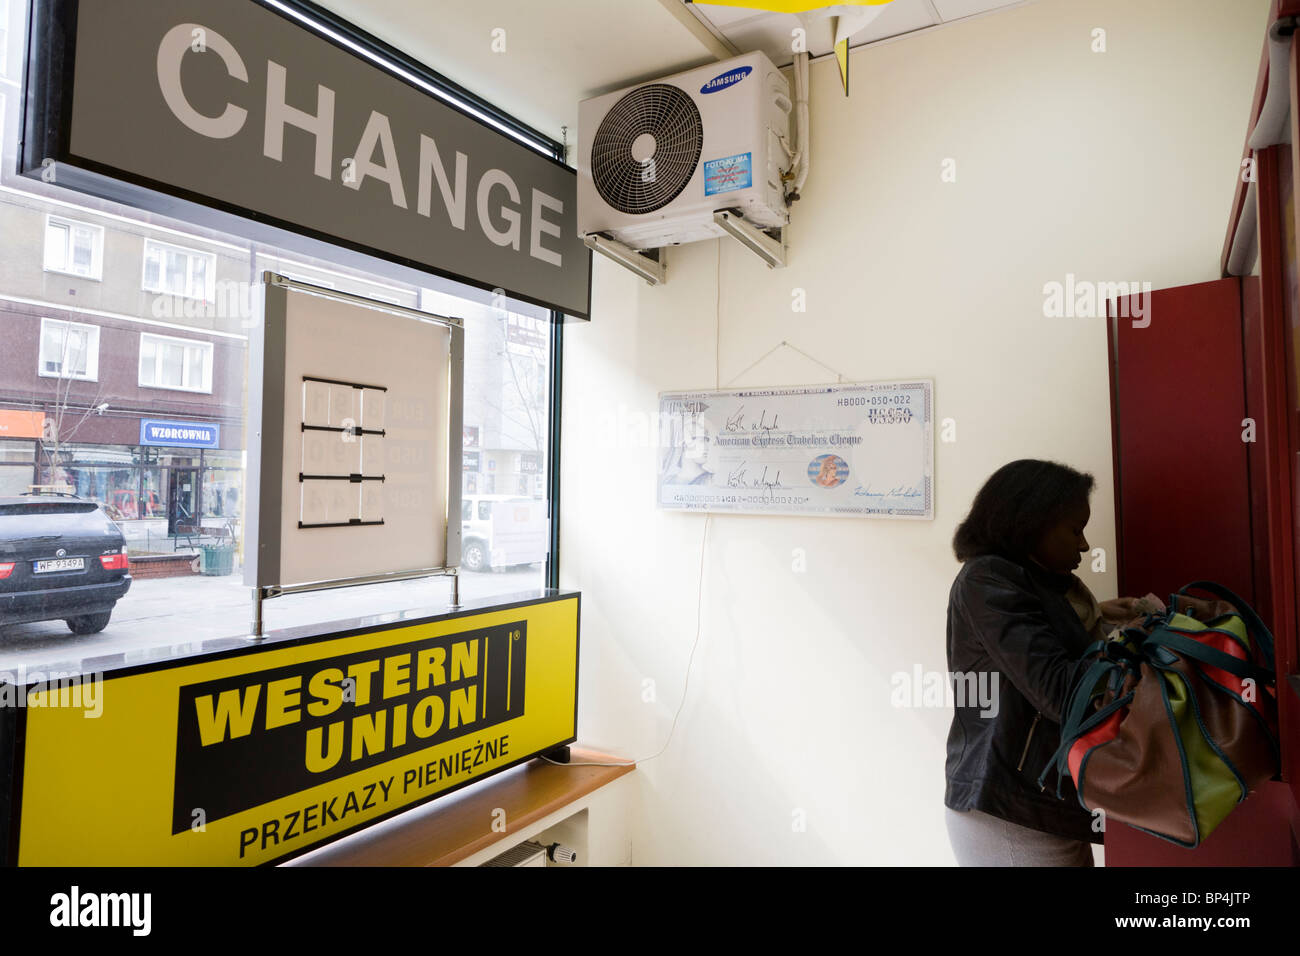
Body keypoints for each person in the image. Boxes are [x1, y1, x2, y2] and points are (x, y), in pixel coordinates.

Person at [943, 459, 1141, 866]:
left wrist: (1102, 618)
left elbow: (1039, 639)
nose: (1084, 545)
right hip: (1011, 813)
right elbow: (1061, 691)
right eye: (1074, 529)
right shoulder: (988, 581)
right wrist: (1132, 645)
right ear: (1031, 524)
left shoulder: (1028, 584)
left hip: (1038, 805)